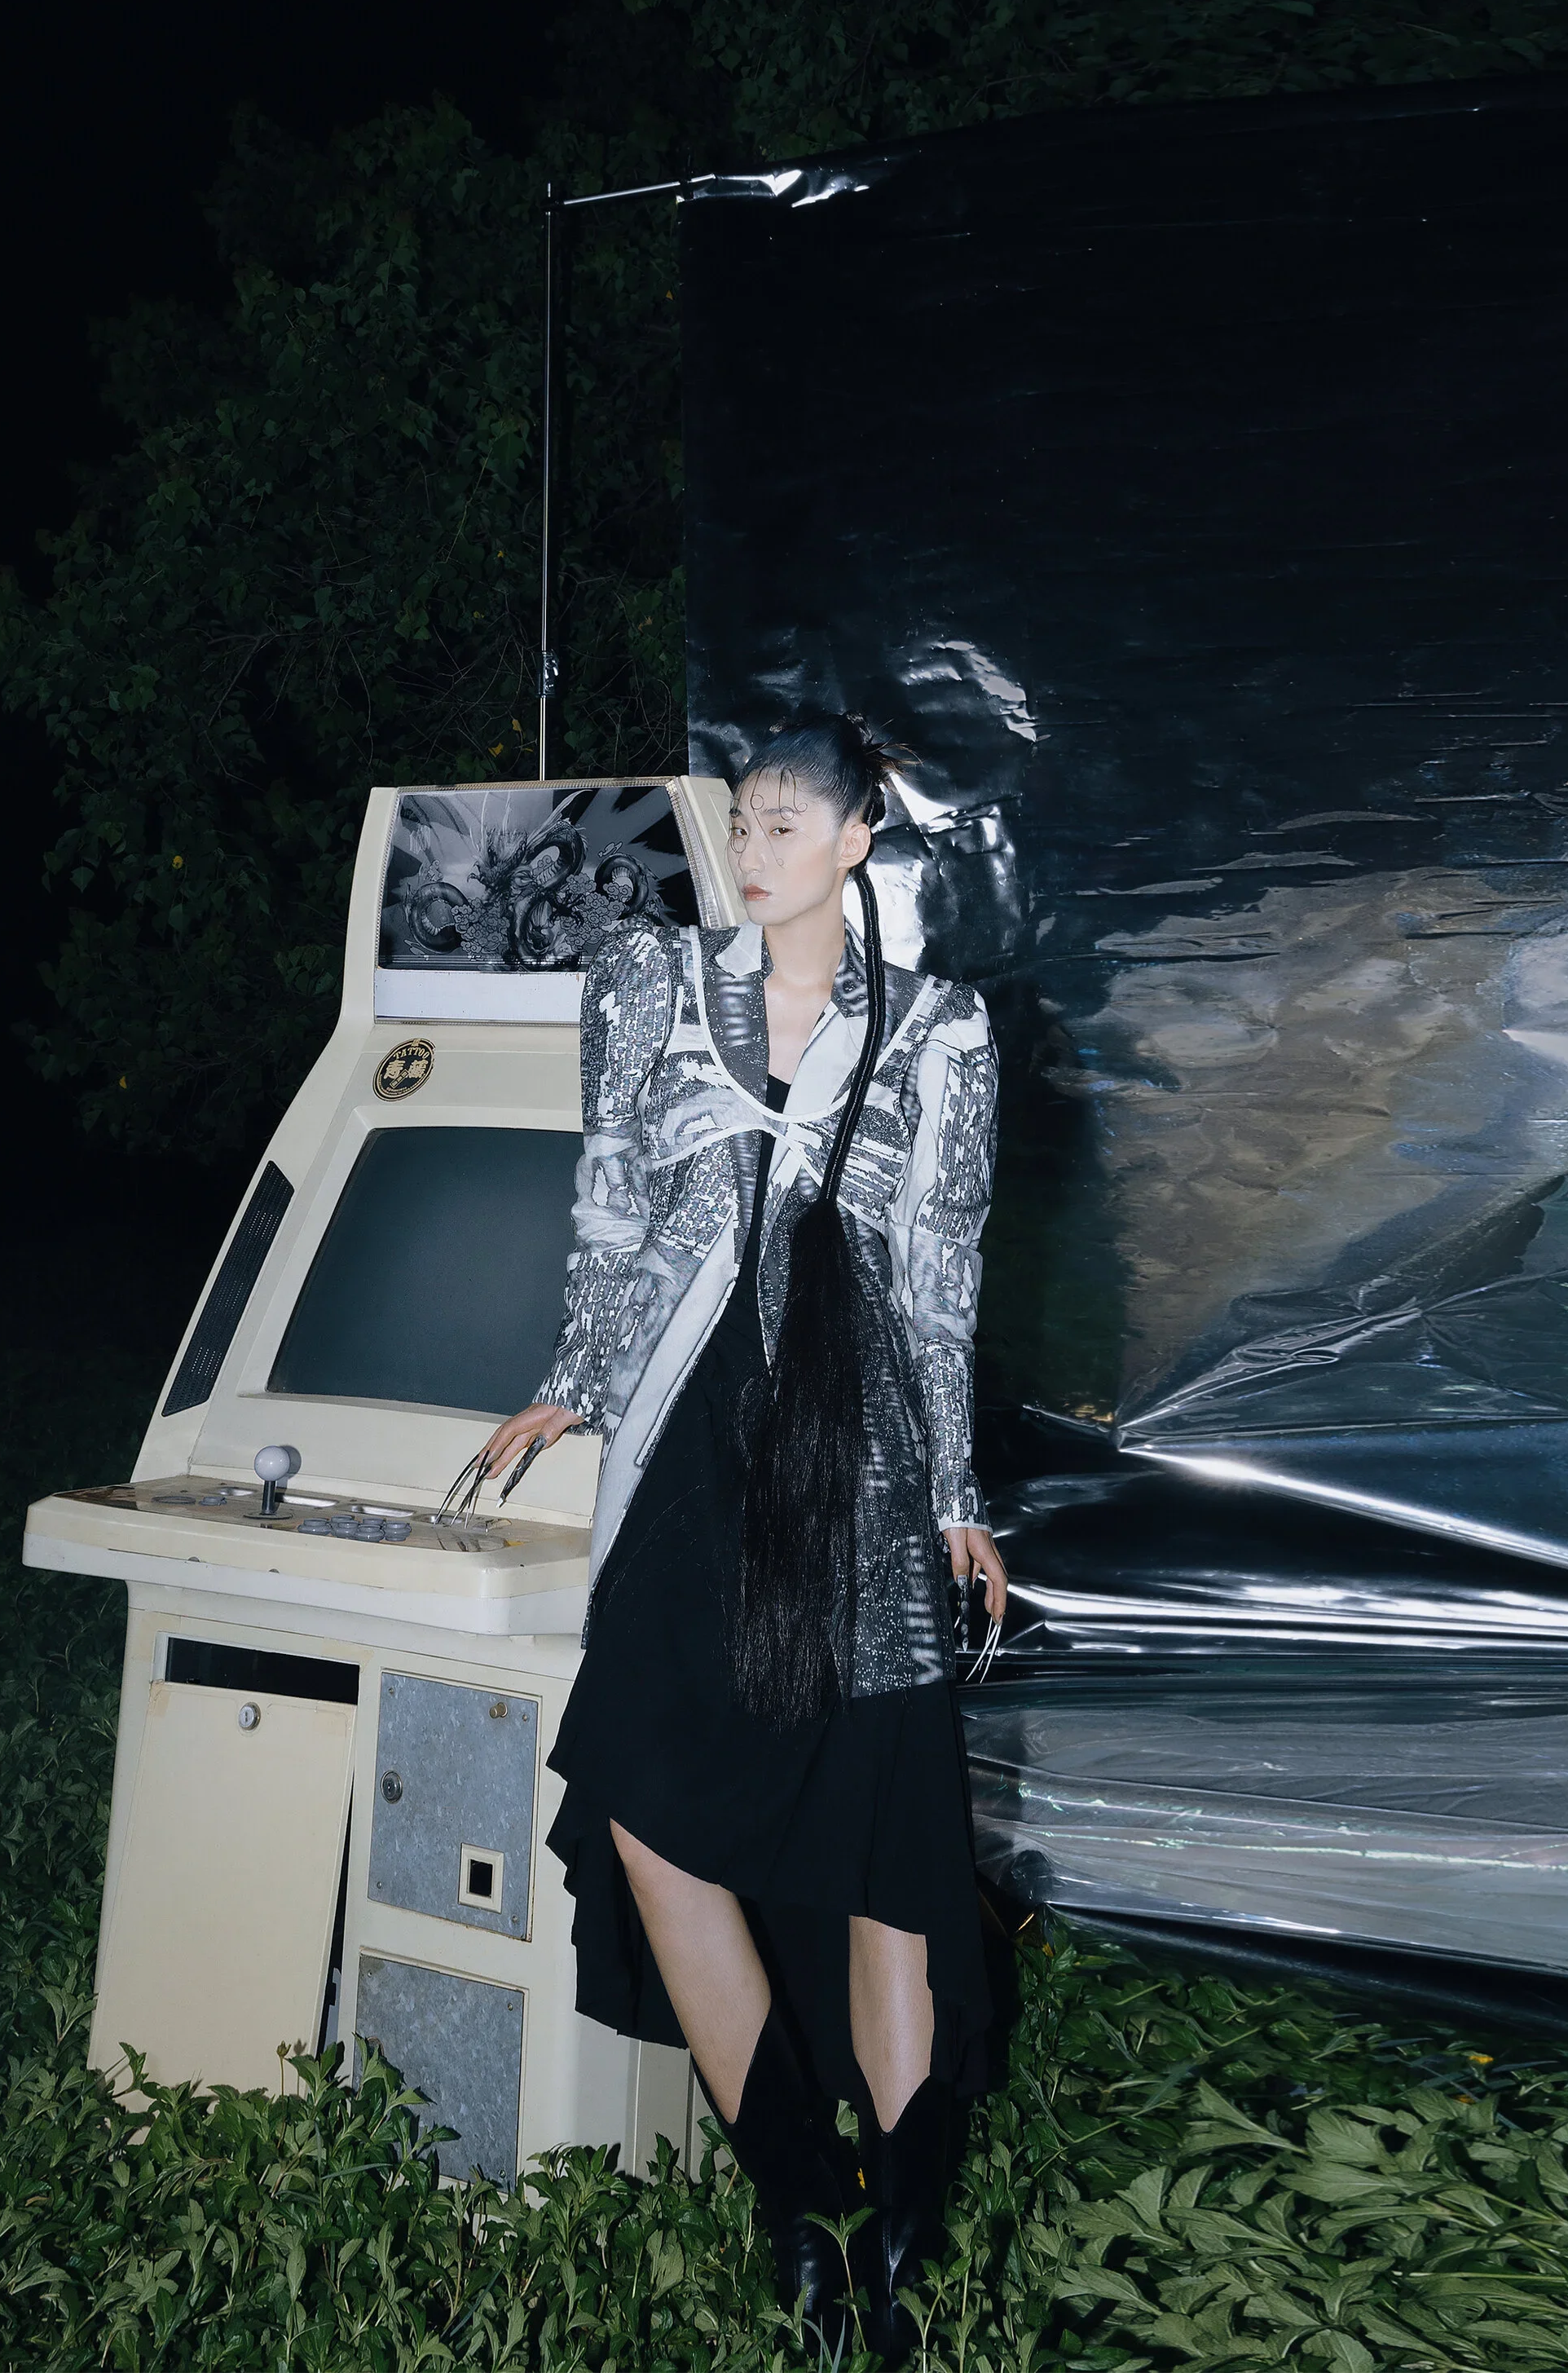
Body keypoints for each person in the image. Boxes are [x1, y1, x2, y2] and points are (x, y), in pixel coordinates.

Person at [481, 713, 1006, 2362]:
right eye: (743, 822)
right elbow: (609, 1205)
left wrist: (956, 1497)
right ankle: (795, 2192)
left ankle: (904, 2235)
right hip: (699, 1440)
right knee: (640, 1787)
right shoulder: (646, 986)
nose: (755, 847)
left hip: (859, 1458)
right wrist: (570, 1384)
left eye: (789, 824)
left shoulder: (941, 1029)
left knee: (886, 1849)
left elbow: (941, 1280)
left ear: (860, 840)